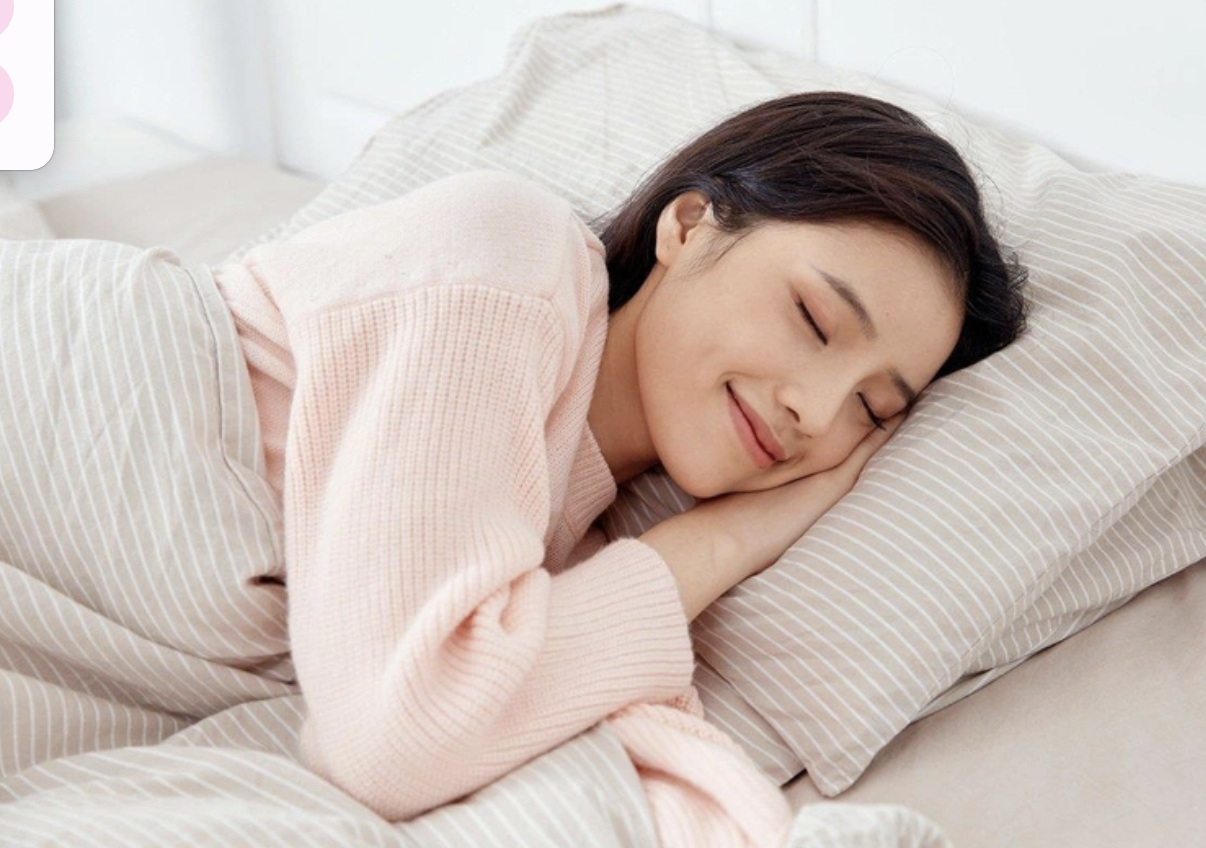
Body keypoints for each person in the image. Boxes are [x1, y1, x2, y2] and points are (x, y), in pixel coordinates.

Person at [211, 90, 1028, 845]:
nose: (816, 413)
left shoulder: (571, 544)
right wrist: (726, 540)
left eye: (871, 408)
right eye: (814, 320)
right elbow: (396, 738)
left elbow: (602, 762)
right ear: (689, 224)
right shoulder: (506, 254)